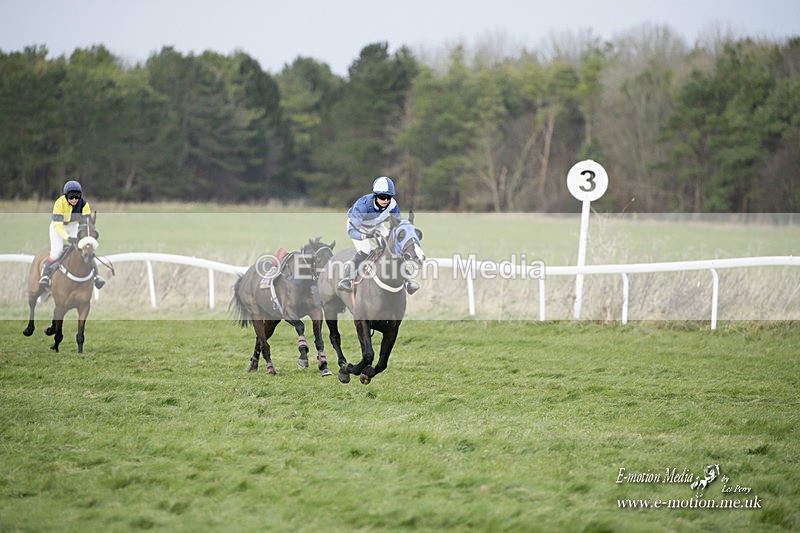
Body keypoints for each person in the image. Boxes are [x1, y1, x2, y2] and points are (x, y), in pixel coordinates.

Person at [337, 176, 419, 294]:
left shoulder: (393, 204)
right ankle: (346, 278)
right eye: (382, 196)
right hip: (358, 227)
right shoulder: (362, 205)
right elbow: (352, 231)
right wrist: (366, 236)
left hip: (377, 225)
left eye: (389, 197)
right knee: (365, 250)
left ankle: (407, 280)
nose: (385, 200)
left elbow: (397, 225)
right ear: (375, 195)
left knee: (392, 248)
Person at [39, 180, 106, 290]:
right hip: (58, 227)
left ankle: (96, 276)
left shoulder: (84, 205)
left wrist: (86, 237)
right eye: (71, 197)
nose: (74, 199)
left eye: (77, 196)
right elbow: (58, 226)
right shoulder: (59, 204)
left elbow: (87, 222)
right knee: (56, 252)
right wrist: (68, 238)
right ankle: (45, 276)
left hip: (74, 226)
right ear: (66, 196)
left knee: (85, 249)